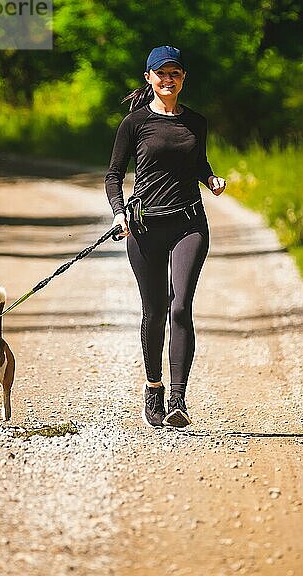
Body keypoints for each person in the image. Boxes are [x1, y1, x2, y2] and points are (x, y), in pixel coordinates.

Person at [105, 45, 226, 429]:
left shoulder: (196, 122)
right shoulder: (134, 124)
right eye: (162, 74)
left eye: (175, 73)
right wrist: (119, 213)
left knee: (180, 307)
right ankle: (154, 387)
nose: (168, 79)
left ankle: (178, 398)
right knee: (155, 313)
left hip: (189, 223)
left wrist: (210, 178)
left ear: (183, 78)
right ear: (150, 79)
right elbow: (113, 175)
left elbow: (198, 162)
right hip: (144, 229)